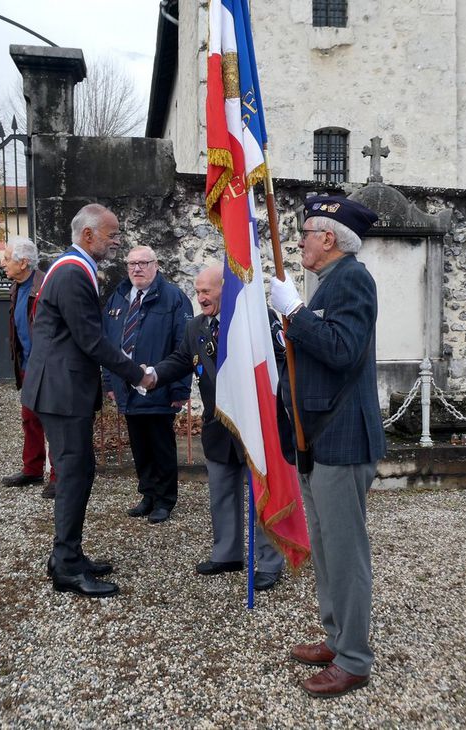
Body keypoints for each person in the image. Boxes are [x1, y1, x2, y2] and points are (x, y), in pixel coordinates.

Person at [268, 196, 385, 698]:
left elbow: (341, 349)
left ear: (329, 238)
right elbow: (314, 353)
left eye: (306, 234)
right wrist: (285, 327)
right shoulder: (328, 284)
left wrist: (295, 309)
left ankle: (354, 659)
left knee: (345, 552)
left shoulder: (352, 280)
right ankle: (337, 638)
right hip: (316, 439)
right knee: (326, 551)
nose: (298, 243)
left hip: (341, 437)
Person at [21, 204, 156, 598]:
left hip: (62, 387)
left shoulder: (70, 269)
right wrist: (139, 375)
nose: (116, 243)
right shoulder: (71, 274)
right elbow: (91, 340)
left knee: (79, 471)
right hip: (62, 392)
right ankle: (65, 565)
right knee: (75, 474)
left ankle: (69, 555)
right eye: (112, 236)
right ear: (88, 236)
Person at [152, 264, 286, 590]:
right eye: (197, 292)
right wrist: (151, 375)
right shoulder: (196, 327)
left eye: (206, 291)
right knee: (221, 494)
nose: (200, 298)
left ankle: (269, 562)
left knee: (262, 496)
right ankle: (227, 553)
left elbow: (278, 363)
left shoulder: (257, 318)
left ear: (225, 289)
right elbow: (182, 360)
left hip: (255, 425)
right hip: (217, 427)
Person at [102, 245, 192, 524]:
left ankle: (165, 499)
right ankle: (148, 494)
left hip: (159, 387)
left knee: (161, 445)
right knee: (139, 445)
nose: (137, 269)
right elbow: (106, 343)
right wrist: (109, 381)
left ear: (156, 265)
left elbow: (184, 347)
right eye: (131, 264)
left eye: (143, 263)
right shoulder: (118, 298)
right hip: (126, 386)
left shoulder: (174, 299)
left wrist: (179, 388)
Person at [0, 236, 57, 498]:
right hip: (28, 365)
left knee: (53, 422)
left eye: (7, 257)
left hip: (46, 366)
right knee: (30, 419)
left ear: (23, 263)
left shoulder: (45, 286)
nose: (2, 263)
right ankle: (32, 470)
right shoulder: (17, 286)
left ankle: (59, 476)